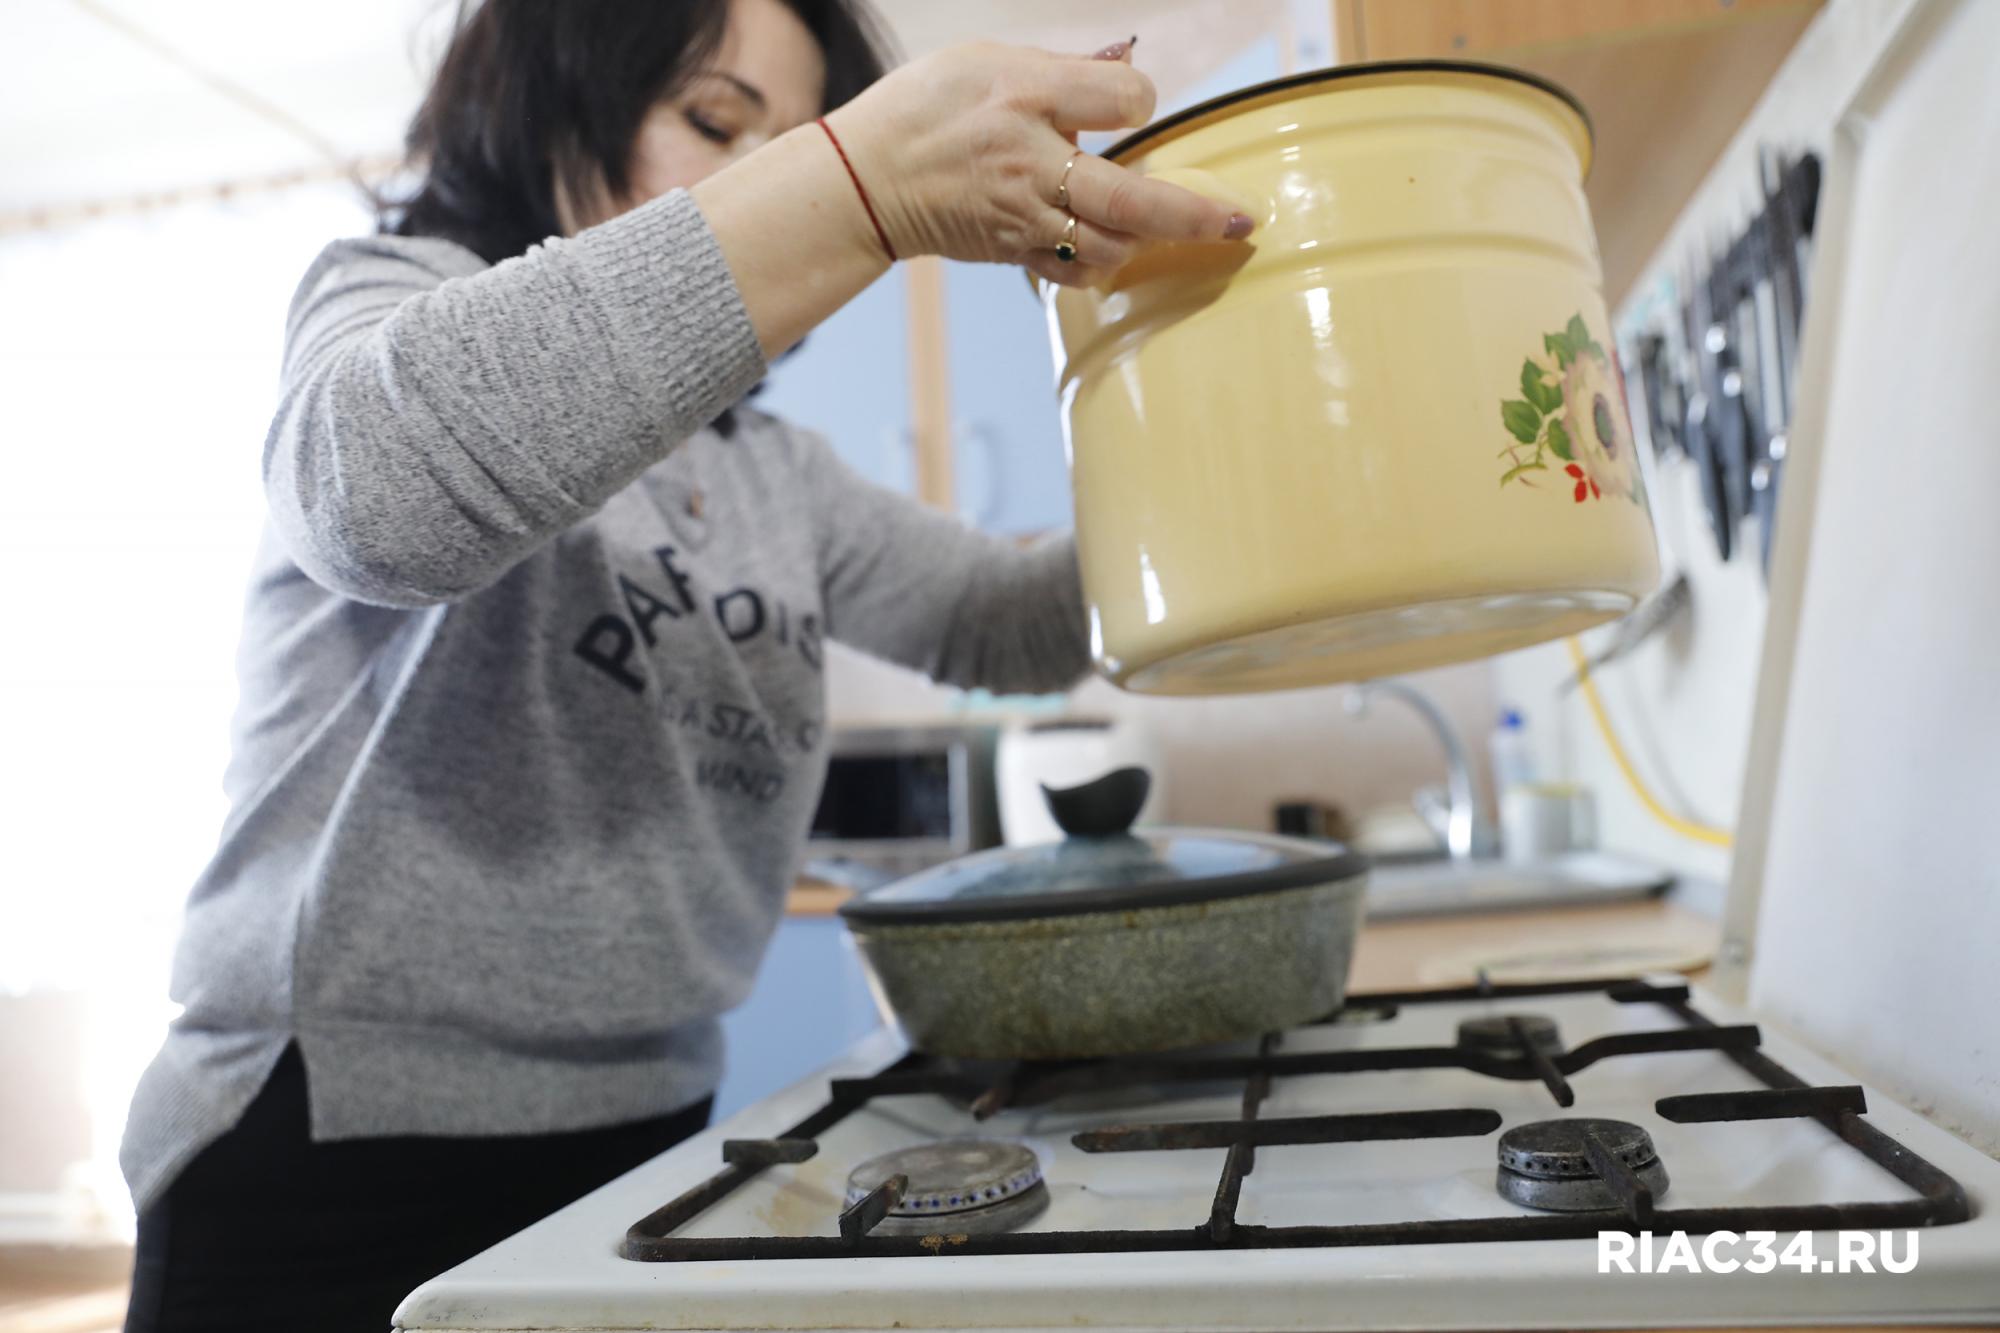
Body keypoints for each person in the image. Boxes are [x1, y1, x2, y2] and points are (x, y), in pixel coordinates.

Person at [118, 1, 1251, 1328]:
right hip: (328, 1149)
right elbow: (378, 493)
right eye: (716, 122)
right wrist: (857, 180)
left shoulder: (776, 474)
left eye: (791, 142)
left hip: (646, 1129)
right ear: (556, 108)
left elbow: (1005, 622)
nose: (759, 174)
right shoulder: (386, 292)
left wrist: (1228, 451)